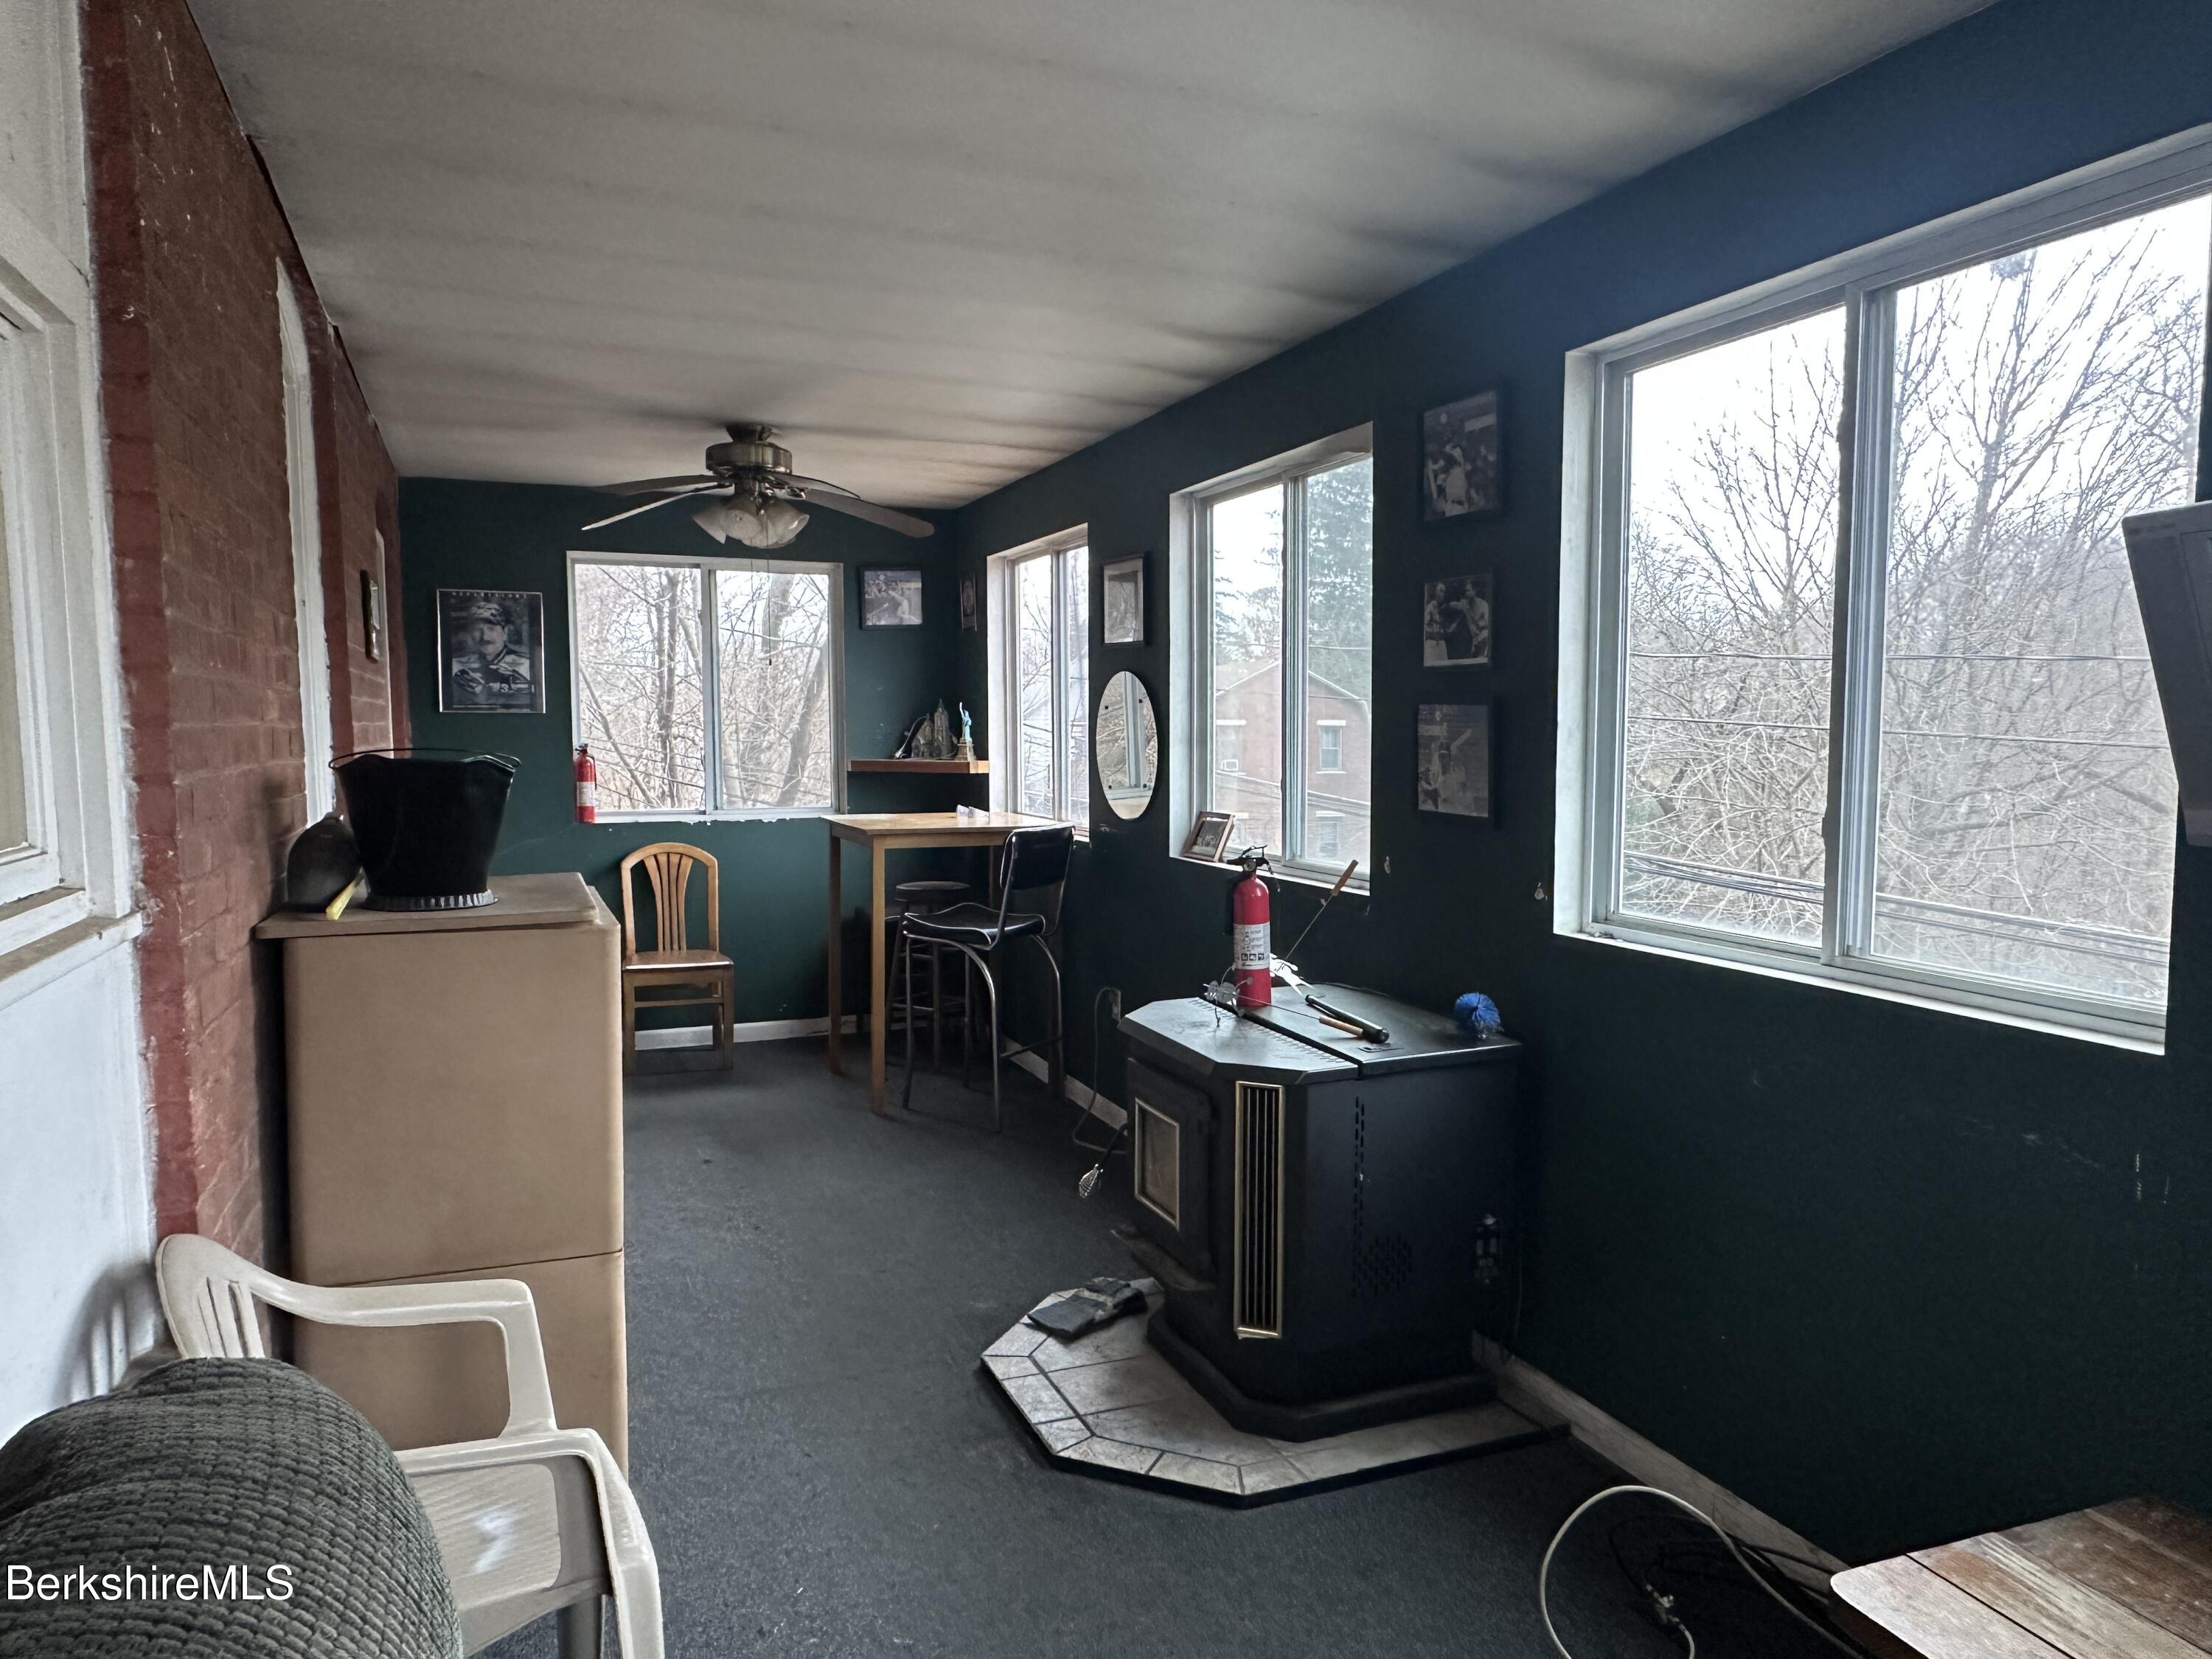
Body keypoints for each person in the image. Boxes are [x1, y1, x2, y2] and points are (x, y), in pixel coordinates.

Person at [447, 597, 535, 709]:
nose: (485, 637)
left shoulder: (527, 665)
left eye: (491, 629)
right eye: (477, 630)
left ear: (505, 632)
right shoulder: (456, 666)